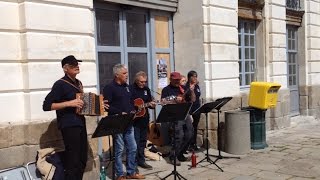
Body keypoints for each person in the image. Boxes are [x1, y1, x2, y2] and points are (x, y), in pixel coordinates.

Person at [43, 55, 97, 180]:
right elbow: (46, 106)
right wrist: (69, 103)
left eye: (77, 64)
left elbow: (81, 104)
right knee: (73, 161)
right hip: (68, 125)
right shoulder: (60, 84)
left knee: (82, 159)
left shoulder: (79, 83)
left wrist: (96, 106)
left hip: (80, 123)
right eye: (73, 65)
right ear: (65, 68)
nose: (77, 67)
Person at [103, 64, 145, 180]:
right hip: (117, 123)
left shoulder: (127, 87)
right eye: (124, 73)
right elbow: (107, 106)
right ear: (117, 75)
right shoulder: (109, 88)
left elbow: (130, 101)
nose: (127, 75)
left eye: (126, 73)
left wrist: (133, 110)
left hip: (129, 122)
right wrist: (120, 113)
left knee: (133, 147)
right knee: (120, 149)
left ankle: (131, 172)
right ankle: (120, 175)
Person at [161, 71, 195, 166]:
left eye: (178, 80)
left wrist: (192, 91)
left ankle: (180, 153)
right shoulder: (166, 90)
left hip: (185, 113)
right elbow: (163, 102)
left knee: (190, 133)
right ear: (170, 79)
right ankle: (173, 156)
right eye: (175, 80)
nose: (177, 81)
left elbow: (192, 100)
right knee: (178, 135)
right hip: (174, 114)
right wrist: (174, 100)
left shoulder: (183, 88)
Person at [130, 71, 156, 170]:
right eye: (141, 82)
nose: (143, 84)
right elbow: (128, 103)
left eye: (145, 82)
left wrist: (152, 105)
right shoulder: (130, 89)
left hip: (145, 119)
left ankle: (141, 161)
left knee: (142, 142)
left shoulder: (146, 89)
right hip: (135, 120)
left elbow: (149, 103)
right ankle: (134, 164)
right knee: (135, 143)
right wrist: (136, 108)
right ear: (136, 80)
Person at [185, 71, 201, 150]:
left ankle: (193, 143)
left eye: (196, 76)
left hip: (197, 109)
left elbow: (198, 96)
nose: (195, 78)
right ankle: (188, 145)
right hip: (190, 110)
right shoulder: (187, 86)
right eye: (193, 76)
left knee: (195, 127)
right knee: (189, 128)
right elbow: (191, 99)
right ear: (189, 77)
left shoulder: (197, 86)